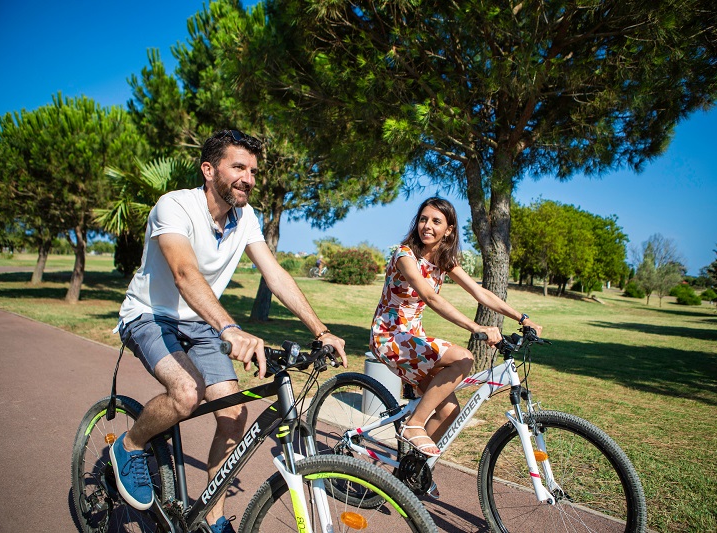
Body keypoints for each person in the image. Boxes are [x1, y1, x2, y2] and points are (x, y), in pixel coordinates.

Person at [111, 129, 347, 533]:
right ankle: (129, 445)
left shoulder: (246, 217)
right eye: (238, 167)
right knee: (186, 394)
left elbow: (275, 275)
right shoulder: (174, 207)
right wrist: (231, 328)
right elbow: (185, 274)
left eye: (253, 171)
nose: (249, 178)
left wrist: (321, 330)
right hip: (151, 314)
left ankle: (211, 520)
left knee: (235, 414)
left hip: (201, 322)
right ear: (209, 170)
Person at [370, 197, 541, 459]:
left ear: (449, 229)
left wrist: (522, 318)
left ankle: (412, 469)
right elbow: (431, 297)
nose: (427, 226)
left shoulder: (443, 260)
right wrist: (476, 328)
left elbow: (480, 292)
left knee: (449, 411)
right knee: (463, 358)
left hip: (412, 339)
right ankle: (414, 425)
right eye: (423, 219)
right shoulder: (405, 255)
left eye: (436, 221)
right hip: (390, 337)